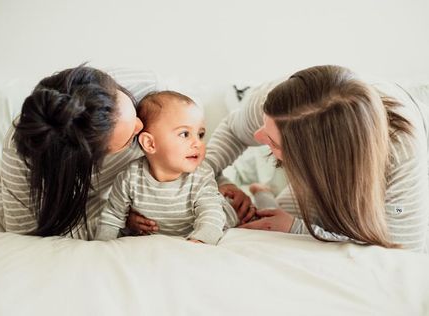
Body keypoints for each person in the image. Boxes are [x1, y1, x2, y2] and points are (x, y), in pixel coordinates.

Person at [136, 65, 429, 252]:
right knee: (279, 213)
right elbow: (234, 131)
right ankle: (266, 192)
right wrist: (202, 182)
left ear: (314, 162)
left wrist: (297, 228)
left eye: (273, 142)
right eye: (264, 127)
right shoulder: (278, 100)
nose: (260, 137)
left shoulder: (403, 151)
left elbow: (402, 253)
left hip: (377, 183)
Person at [0, 65, 251, 240]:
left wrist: (219, 182)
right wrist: (119, 220)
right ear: (91, 159)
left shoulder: (148, 91)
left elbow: (178, 149)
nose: (141, 131)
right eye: (130, 138)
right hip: (62, 210)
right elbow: (34, 237)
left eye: (135, 115)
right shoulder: (25, 162)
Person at [95, 91, 238, 244]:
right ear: (150, 144)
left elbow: (211, 214)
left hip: (221, 216)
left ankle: (257, 194)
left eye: (200, 134)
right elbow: (112, 216)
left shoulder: (200, 176)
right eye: (185, 134)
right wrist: (102, 245)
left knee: (229, 211)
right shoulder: (130, 178)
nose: (198, 143)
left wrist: (200, 240)